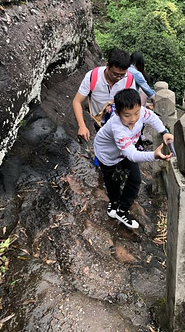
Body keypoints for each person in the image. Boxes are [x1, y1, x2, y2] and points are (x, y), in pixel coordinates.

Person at [94, 88, 174, 229]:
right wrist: (154, 155)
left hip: (124, 150)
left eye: (136, 113)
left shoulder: (140, 112)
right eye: (127, 115)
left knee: (135, 180)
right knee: (112, 182)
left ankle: (122, 210)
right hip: (107, 155)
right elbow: (131, 154)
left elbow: (153, 117)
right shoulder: (118, 128)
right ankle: (113, 203)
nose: (133, 119)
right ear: (117, 113)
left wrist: (164, 132)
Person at [72, 49, 135, 141]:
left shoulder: (128, 79)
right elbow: (77, 101)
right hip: (97, 123)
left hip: (119, 124)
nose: (118, 78)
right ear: (107, 65)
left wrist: (115, 107)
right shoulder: (93, 76)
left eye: (122, 75)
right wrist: (82, 126)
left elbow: (131, 103)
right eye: (115, 74)